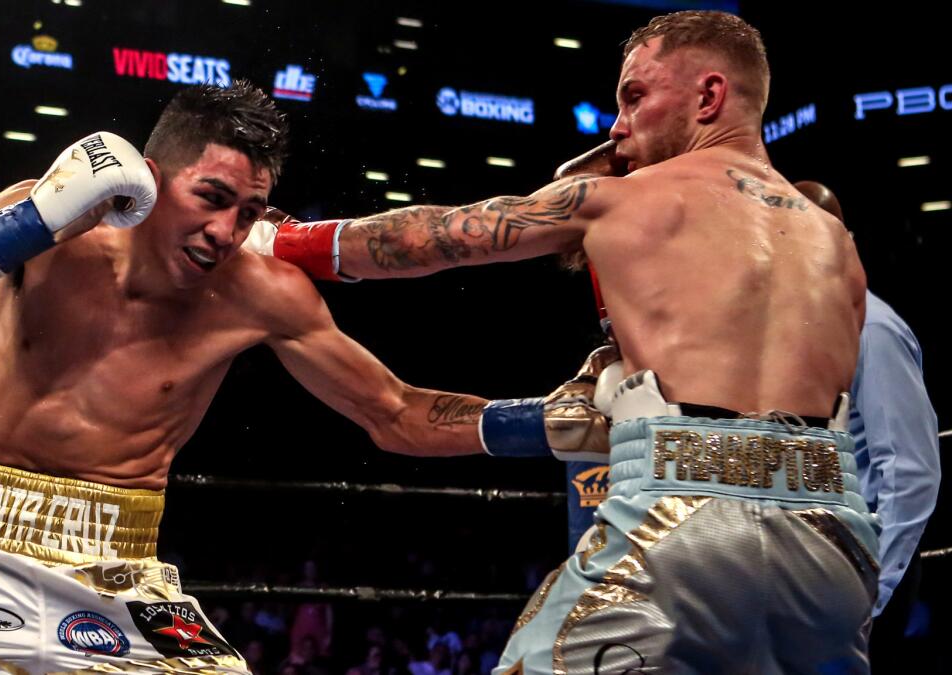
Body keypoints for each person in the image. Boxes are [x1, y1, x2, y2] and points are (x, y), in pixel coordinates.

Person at [0, 82, 570, 674]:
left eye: (249, 209)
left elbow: (394, 411)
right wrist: (42, 217)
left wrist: (553, 421)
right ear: (152, 178)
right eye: (213, 198)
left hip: (120, 567)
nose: (226, 231)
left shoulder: (260, 292)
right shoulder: (49, 226)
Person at [251, 11, 880, 672]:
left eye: (635, 96)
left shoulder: (622, 200)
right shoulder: (836, 244)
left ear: (709, 95)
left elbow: (433, 235)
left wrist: (280, 240)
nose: (616, 125)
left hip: (681, 513)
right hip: (832, 528)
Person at [795, 180, 940, 662]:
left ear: (843, 242)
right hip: (810, 567)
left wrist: (875, 592)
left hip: (866, 565)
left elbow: (911, 471)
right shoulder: (794, 332)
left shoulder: (872, 331)